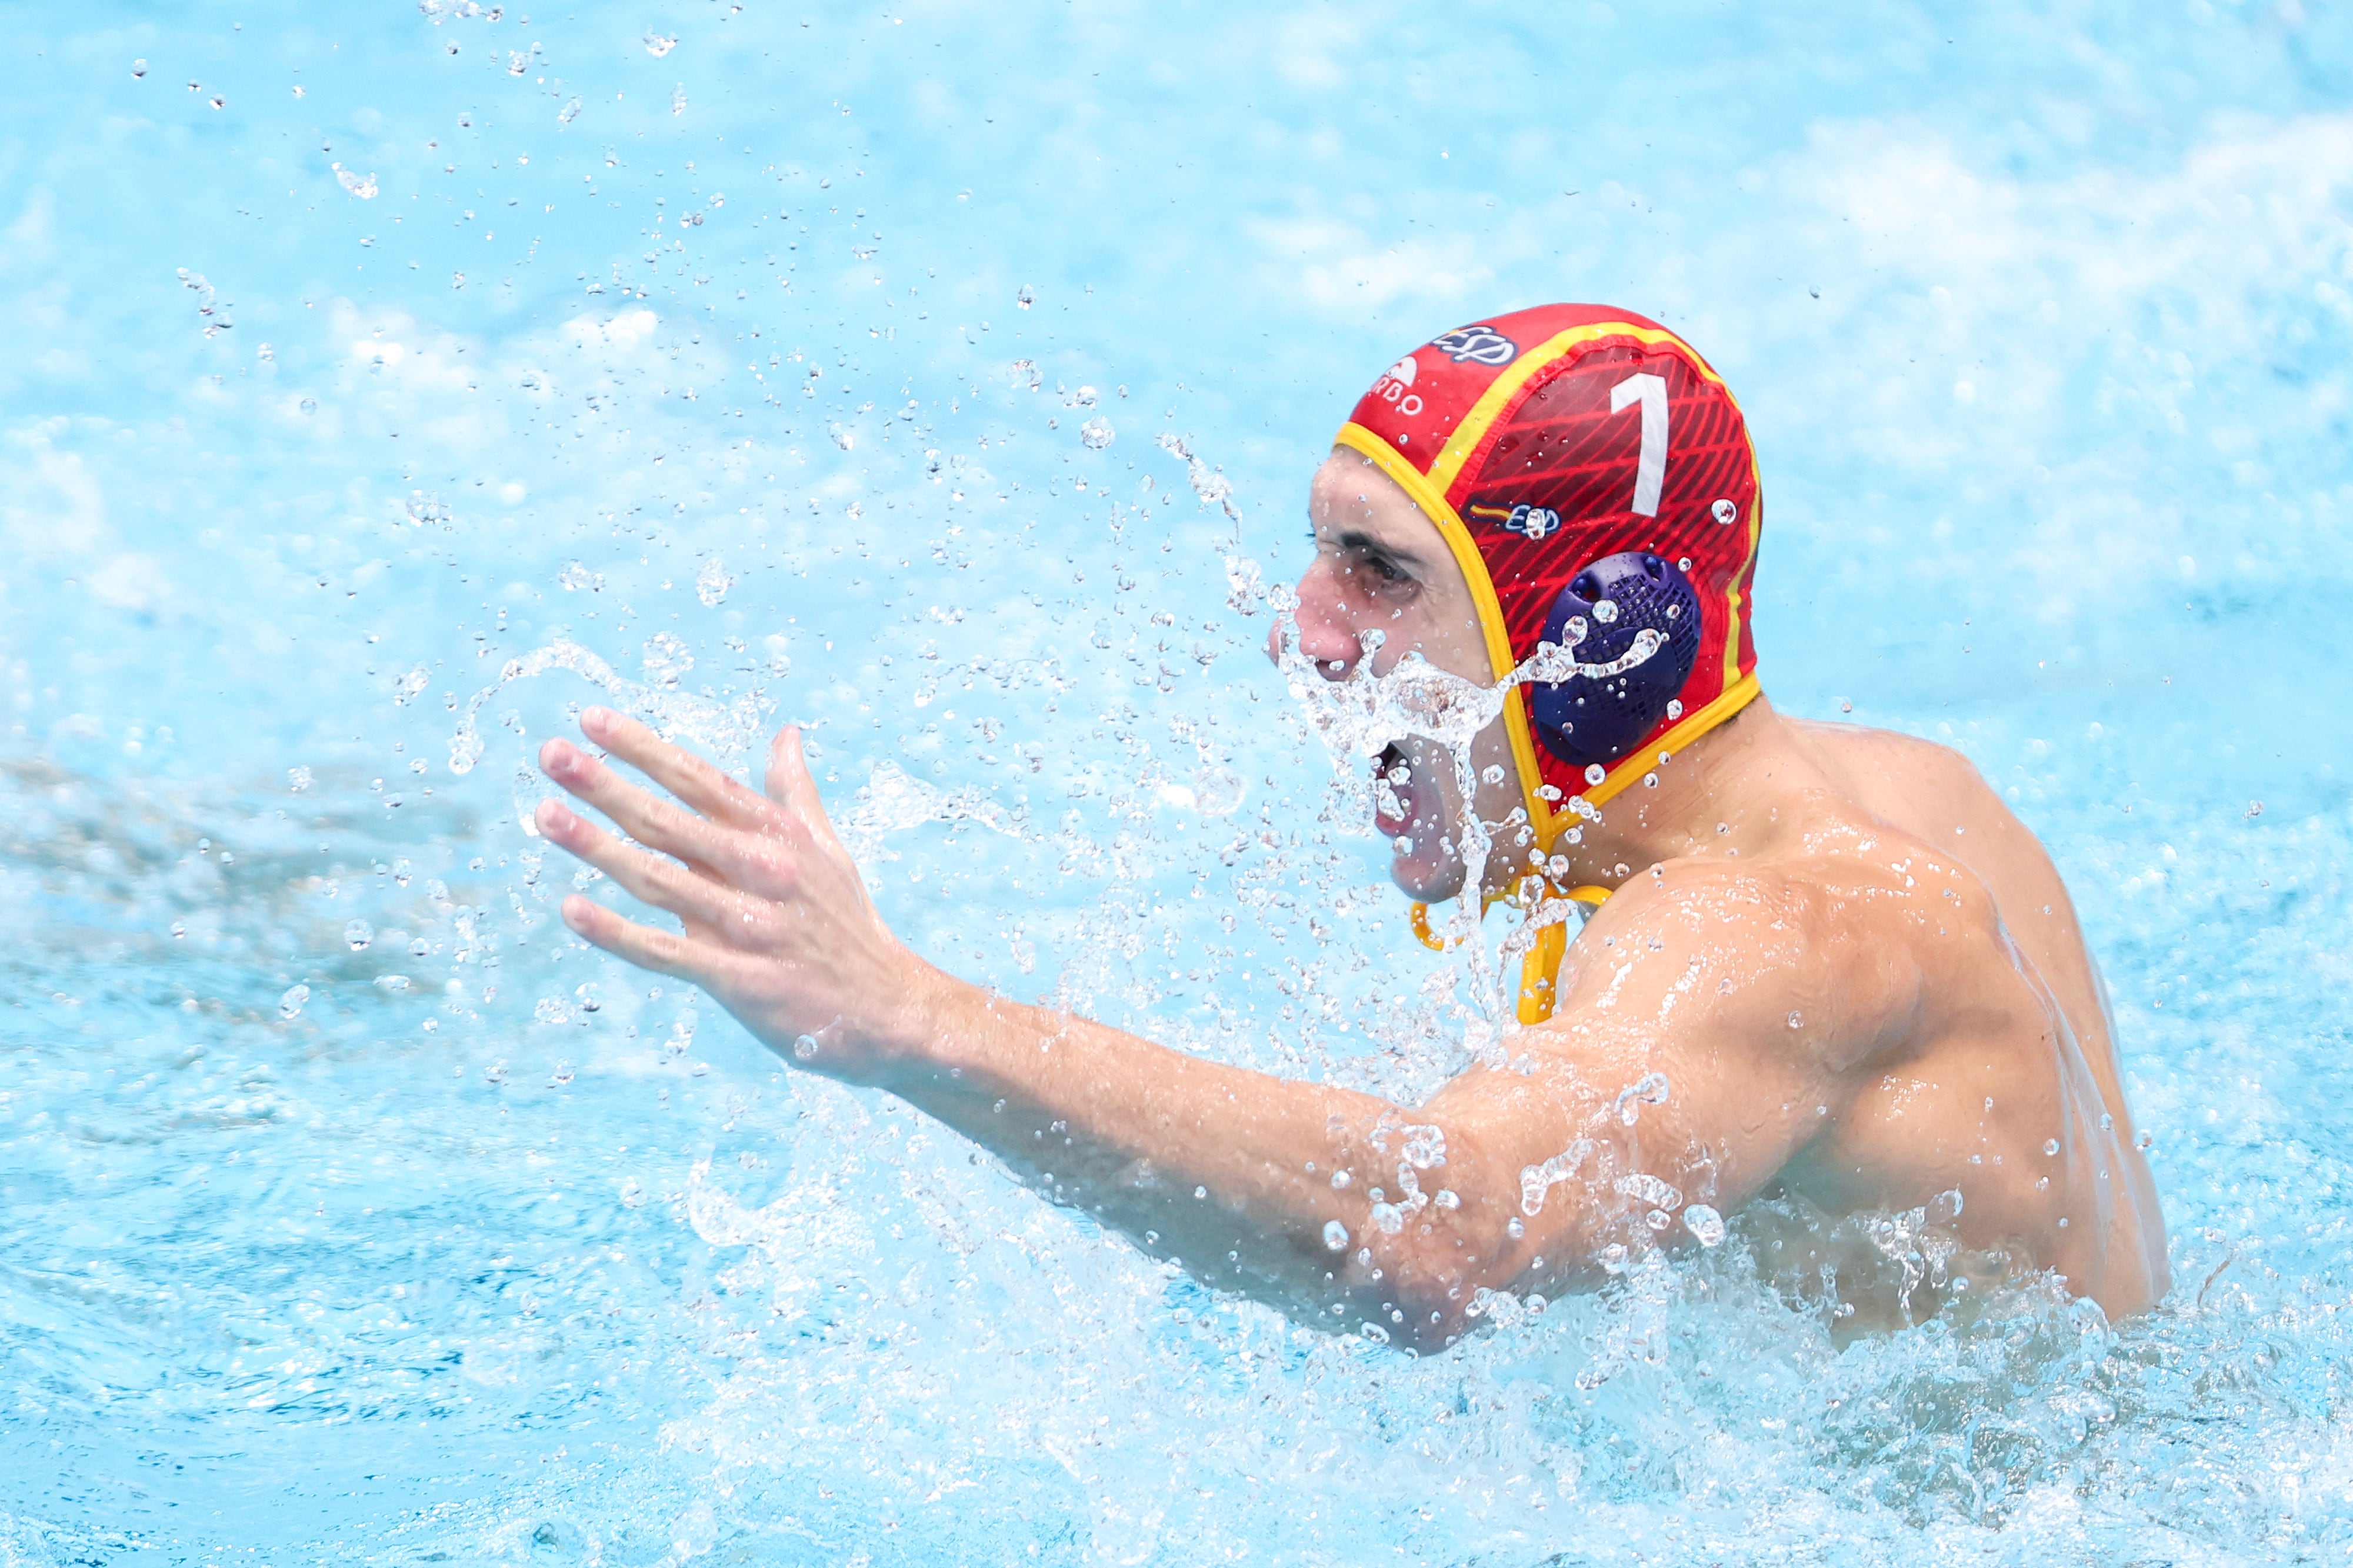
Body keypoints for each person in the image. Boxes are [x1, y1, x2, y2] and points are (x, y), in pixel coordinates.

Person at [529, 303, 2168, 1350]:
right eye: (1319, 554)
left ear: (1603, 641)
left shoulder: (1759, 932)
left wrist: (913, 1017)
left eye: (1379, 571)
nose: (1301, 632)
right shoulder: (1918, 789)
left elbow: (1440, 1235)